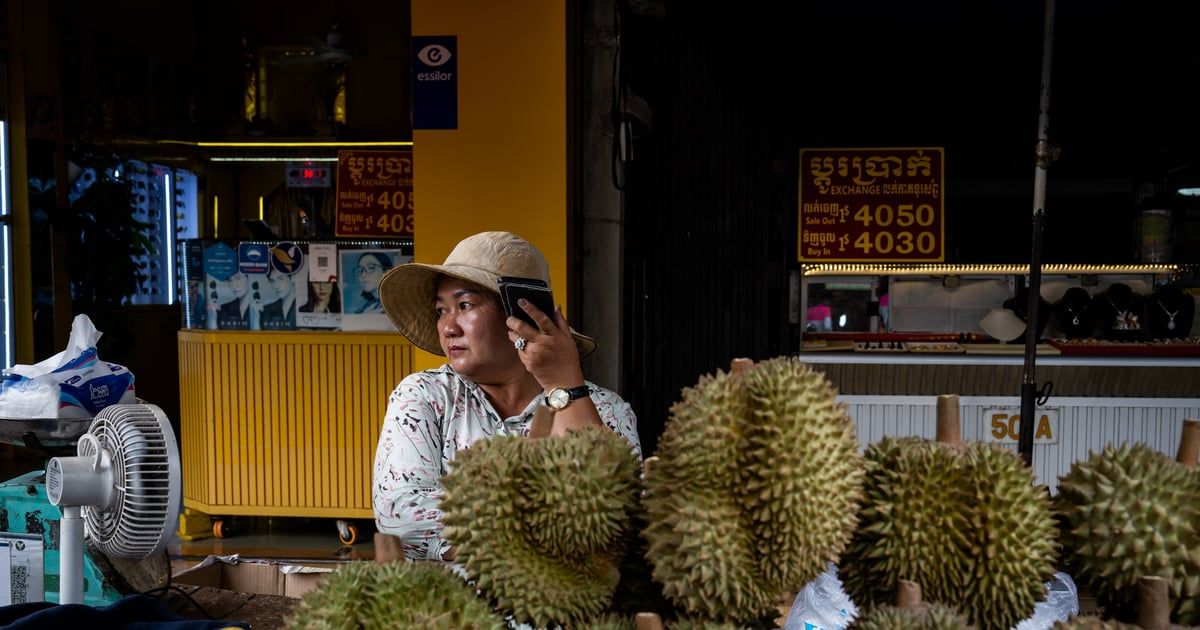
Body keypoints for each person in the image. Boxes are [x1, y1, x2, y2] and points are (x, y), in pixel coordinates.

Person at [372, 231, 641, 562]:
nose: (447, 327)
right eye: (441, 310)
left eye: (465, 305)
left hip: (559, 611)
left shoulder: (605, 410)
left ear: (521, 316)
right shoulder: (425, 397)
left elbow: (619, 520)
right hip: (445, 609)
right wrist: (543, 530)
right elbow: (398, 512)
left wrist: (565, 387)